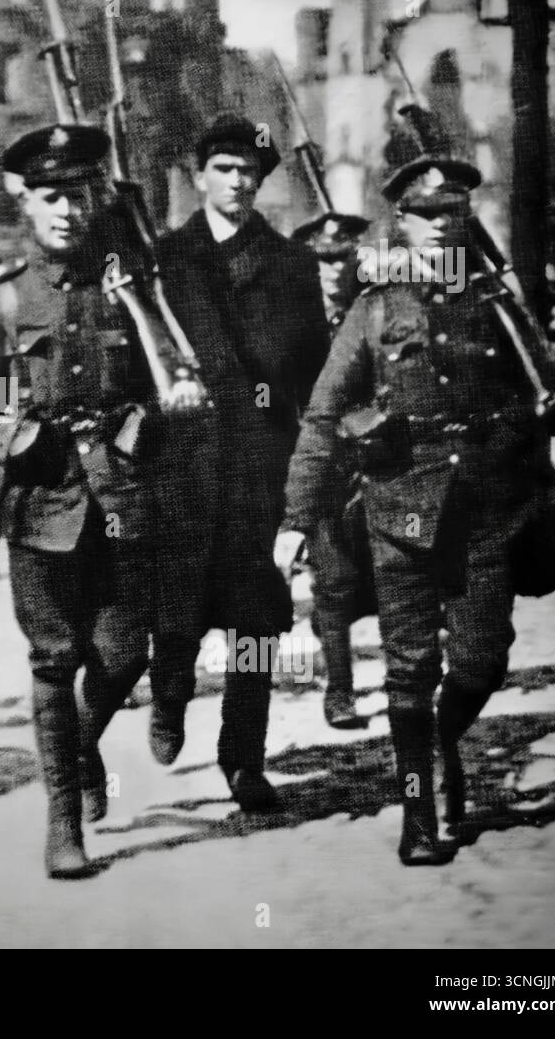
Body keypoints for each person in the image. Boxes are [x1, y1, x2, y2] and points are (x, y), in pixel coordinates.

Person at [0, 124, 210, 877]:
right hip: (42, 500)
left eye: (79, 195)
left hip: (125, 493)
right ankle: (62, 827)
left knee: (121, 653)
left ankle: (80, 748)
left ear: (96, 199)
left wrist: (167, 406)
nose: (66, 210)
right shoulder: (9, 294)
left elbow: (174, 377)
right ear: (27, 202)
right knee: (53, 660)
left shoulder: (136, 285)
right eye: (51, 196)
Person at [277, 149, 555, 865]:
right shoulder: (375, 310)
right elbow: (321, 416)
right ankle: (420, 809)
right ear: (401, 223)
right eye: (427, 214)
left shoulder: (498, 302)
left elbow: (552, 391)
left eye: (455, 212)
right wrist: (294, 519)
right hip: (403, 509)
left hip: (486, 509)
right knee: (408, 672)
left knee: (482, 658)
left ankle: (445, 740)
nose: (442, 225)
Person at [149, 113, 330, 803]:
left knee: (255, 623)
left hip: (260, 470)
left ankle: (243, 756)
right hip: (182, 467)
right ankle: (168, 698)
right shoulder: (164, 258)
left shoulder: (291, 264)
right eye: (224, 169)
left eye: (249, 171)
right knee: (177, 616)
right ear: (200, 177)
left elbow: (313, 375)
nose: (237, 181)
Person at [291, 211, 375, 728]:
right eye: (321, 259)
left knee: (393, 574)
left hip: (378, 457)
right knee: (336, 579)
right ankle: (339, 692)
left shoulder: (376, 307)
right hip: (320, 462)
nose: (331, 268)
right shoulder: (290, 320)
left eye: (341, 256)